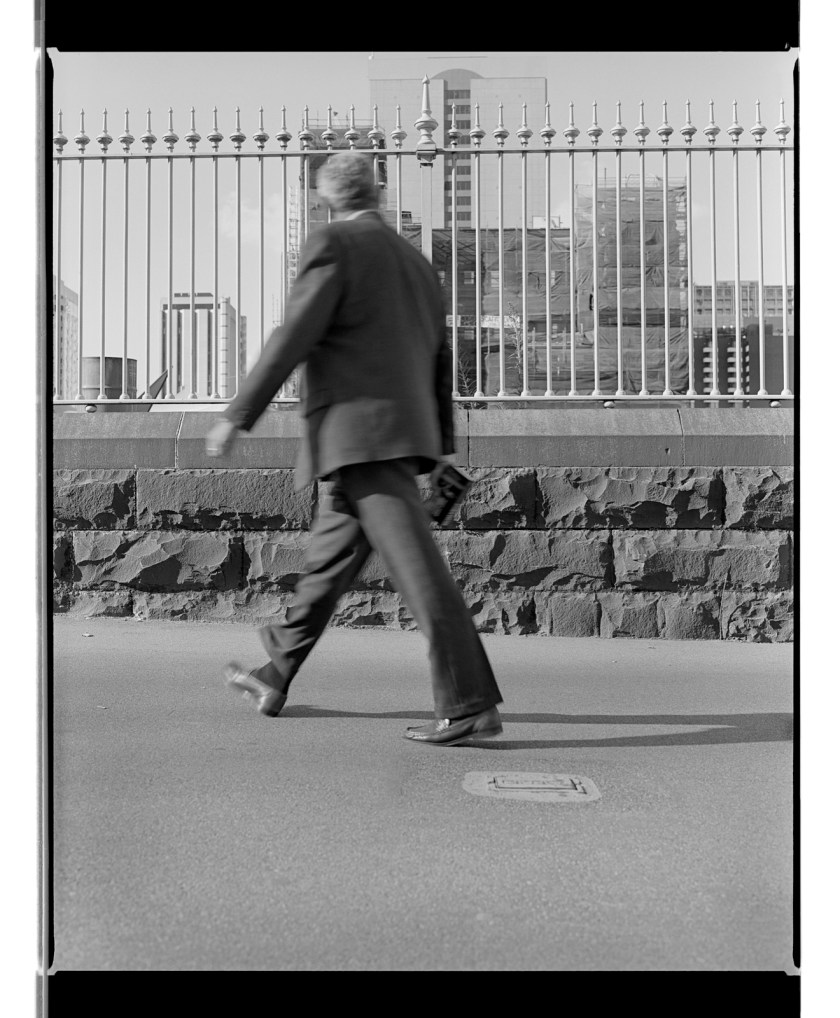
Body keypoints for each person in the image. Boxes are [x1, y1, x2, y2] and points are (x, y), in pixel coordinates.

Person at [206, 150, 502, 746]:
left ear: (329, 199)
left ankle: (469, 701)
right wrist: (439, 447)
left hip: (359, 439)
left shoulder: (333, 245)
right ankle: (274, 674)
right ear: (378, 192)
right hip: (398, 438)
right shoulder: (419, 264)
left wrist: (238, 416)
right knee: (327, 566)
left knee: (420, 575)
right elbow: (440, 361)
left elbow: (293, 334)